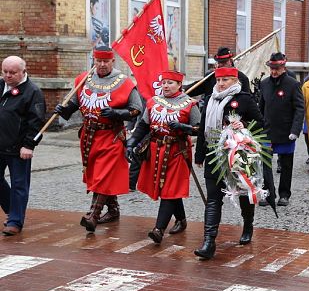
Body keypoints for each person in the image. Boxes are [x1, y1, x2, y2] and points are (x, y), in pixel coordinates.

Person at [54, 47, 143, 232]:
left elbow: (136, 109)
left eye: (105, 61)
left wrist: (117, 113)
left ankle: (93, 215)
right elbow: (75, 104)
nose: (101, 65)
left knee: (103, 175)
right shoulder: (83, 80)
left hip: (112, 136)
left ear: (113, 62)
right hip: (89, 136)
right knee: (97, 174)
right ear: (93, 60)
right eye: (98, 61)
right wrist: (64, 110)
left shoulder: (124, 83)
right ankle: (113, 210)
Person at [194, 67, 263, 260]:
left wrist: (245, 126)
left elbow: (261, 123)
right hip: (213, 154)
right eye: (219, 80)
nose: (221, 83)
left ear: (235, 80)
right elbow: (202, 129)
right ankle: (209, 242)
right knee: (213, 198)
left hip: (237, 155)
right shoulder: (210, 99)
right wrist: (199, 155)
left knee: (242, 193)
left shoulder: (244, 99)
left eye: (226, 80)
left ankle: (248, 224)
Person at [126, 71, 200, 243]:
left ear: (179, 85)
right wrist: (131, 142)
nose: (166, 86)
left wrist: (183, 126)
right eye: (164, 83)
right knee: (169, 190)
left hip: (177, 151)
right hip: (155, 150)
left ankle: (158, 229)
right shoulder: (153, 102)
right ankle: (181, 219)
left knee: (170, 189)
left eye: (170, 83)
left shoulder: (190, 104)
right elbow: (143, 126)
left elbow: (198, 128)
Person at [0, 56, 46, 236]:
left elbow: (37, 123)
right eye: (5, 72)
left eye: (12, 72)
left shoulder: (32, 92)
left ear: (23, 72)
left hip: (19, 147)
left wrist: (29, 145)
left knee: (19, 184)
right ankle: (12, 210)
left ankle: (15, 222)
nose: (8, 76)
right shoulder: (1, 85)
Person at [258, 53, 304, 206]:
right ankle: (267, 192)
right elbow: (261, 108)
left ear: (283, 67)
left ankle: (284, 194)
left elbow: (299, 109)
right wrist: (257, 128)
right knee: (265, 164)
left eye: (276, 68)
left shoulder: (293, 84)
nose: (273, 71)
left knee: (286, 164)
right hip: (267, 131)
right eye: (272, 68)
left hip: (286, 131)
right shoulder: (264, 84)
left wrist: (295, 130)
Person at [185, 47, 251, 96]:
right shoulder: (210, 77)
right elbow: (196, 88)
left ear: (230, 61)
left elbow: (247, 100)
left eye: (224, 62)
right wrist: (181, 89)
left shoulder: (242, 78)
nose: (221, 65)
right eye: (219, 62)